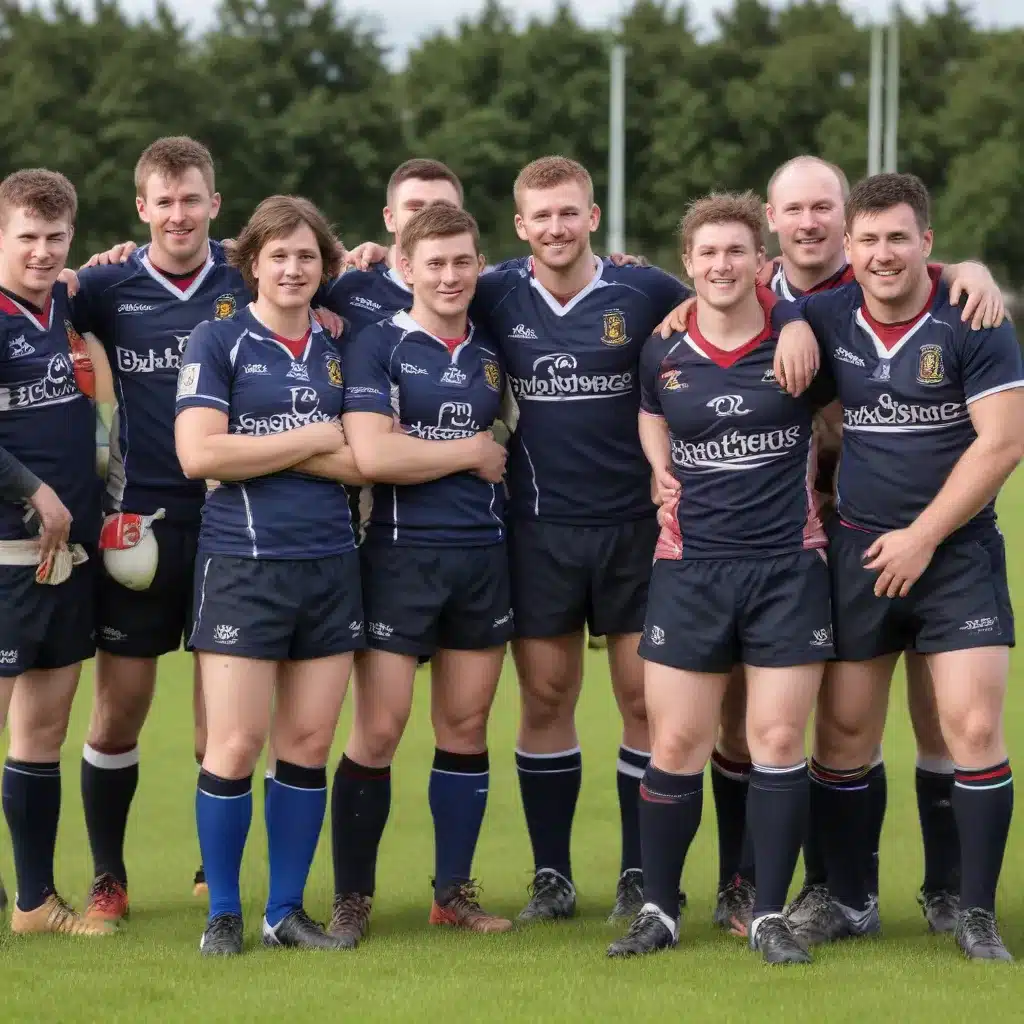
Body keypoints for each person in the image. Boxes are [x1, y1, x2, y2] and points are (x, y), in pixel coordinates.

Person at [656, 155, 1006, 936]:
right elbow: (702, 341)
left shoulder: (919, 296)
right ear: (773, 227)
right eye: (797, 209)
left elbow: (912, 270)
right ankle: (773, 886)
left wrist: (968, 269)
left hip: (905, 535)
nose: (812, 221)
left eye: (826, 207)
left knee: (939, 722)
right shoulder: (758, 295)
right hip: (788, 540)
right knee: (770, 728)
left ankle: (939, 896)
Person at [339, 156, 691, 922]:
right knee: (547, 696)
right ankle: (552, 876)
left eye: (572, 213)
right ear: (521, 225)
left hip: (634, 528)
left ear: (593, 217)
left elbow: (739, 303)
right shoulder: (496, 288)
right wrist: (358, 255)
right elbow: (314, 271)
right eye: (543, 217)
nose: (558, 228)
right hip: (535, 533)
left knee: (641, 700)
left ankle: (636, 873)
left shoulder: (649, 289)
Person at [771, 172, 1022, 961]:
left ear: (927, 244)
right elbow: (735, 300)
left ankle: (970, 909)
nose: (884, 255)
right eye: (869, 240)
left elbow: (1005, 442)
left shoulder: (972, 315)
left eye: (899, 239)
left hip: (956, 552)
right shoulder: (822, 312)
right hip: (856, 550)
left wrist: (923, 537)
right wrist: (783, 319)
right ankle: (848, 899)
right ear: (851, 248)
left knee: (971, 724)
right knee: (844, 731)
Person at [607, 191, 834, 964]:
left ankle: (768, 913)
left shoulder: (803, 340)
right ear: (689, 265)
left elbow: (876, 295)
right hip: (690, 567)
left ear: (762, 263)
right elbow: (648, 409)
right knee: (676, 740)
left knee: (775, 738)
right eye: (708, 253)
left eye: (737, 250)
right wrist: (656, 464)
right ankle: (661, 912)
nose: (722, 264)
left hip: (786, 567)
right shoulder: (663, 349)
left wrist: (796, 316)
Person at [174, 195, 366, 956]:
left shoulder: (343, 349)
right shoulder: (216, 340)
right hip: (243, 567)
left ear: (325, 267)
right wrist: (317, 436)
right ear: (252, 262)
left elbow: (364, 459)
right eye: (278, 255)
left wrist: (262, 445)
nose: (293, 268)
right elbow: (199, 455)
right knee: (235, 742)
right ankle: (223, 910)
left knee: (310, 741)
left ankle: (283, 911)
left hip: (328, 563)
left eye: (307, 256)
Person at [332, 202, 513, 946]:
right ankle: (352, 899)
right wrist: (471, 452)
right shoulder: (378, 345)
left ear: (479, 263)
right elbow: (375, 456)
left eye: (461, 261)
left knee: (465, 727)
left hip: (483, 557)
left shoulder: (495, 348)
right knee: (379, 730)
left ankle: (452, 892)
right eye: (433, 262)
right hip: (399, 559)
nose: (449, 275)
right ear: (404, 267)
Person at [0, 168, 111, 937]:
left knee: (43, 731)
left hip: (65, 557)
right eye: (25, 237)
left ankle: (35, 902)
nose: (41, 252)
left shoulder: (67, 301)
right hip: (5, 554)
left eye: (54, 238)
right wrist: (33, 490)